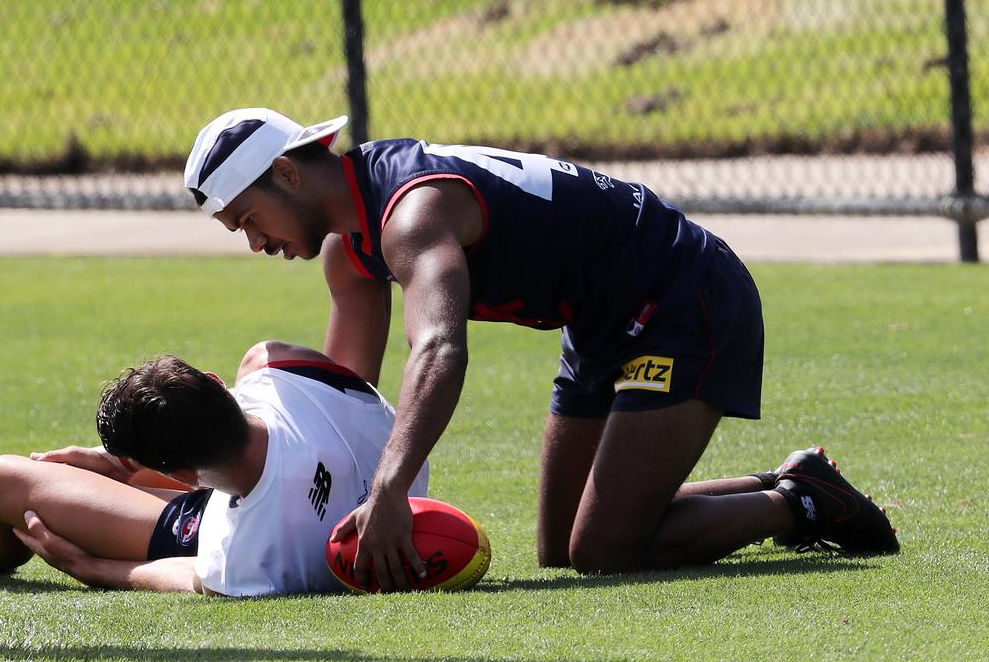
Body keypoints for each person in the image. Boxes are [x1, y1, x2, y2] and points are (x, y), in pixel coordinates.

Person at [182, 108, 899, 589]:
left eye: (250, 219)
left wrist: (391, 490)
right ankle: (786, 479)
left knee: (605, 551)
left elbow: (438, 351)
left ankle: (799, 504)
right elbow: (340, 397)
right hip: (598, 324)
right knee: (561, 548)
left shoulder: (410, 213)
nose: (256, 243)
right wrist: (224, 470)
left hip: (681, 295)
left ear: (286, 172)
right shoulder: (349, 252)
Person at [0, 341, 428, 596]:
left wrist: (89, 566)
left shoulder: (241, 548)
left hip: (213, 521)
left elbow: (190, 575)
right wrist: (127, 471)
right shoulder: (281, 369)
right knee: (260, 355)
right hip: (377, 500)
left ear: (176, 472)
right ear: (217, 383)